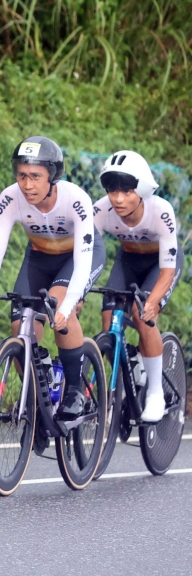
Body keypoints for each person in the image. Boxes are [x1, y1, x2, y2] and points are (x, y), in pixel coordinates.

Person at [0, 136, 105, 419]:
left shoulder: (75, 199)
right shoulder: (10, 197)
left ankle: (74, 392)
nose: (27, 185)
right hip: (39, 257)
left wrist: (67, 308)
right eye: (21, 175)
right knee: (20, 324)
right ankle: (37, 396)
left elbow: (82, 265)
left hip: (77, 258)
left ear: (52, 177)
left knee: (57, 307)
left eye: (35, 176)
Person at [94, 150, 183, 422]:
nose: (118, 199)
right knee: (108, 320)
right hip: (128, 258)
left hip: (161, 263)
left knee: (142, 316)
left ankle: (155, 392)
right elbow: (86, 253)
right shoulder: (101, 210)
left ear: (141, 190)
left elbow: (168, 269)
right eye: (112, 190)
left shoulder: (160, 211)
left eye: (127, 192)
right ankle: (131, 364)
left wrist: (152, 303)